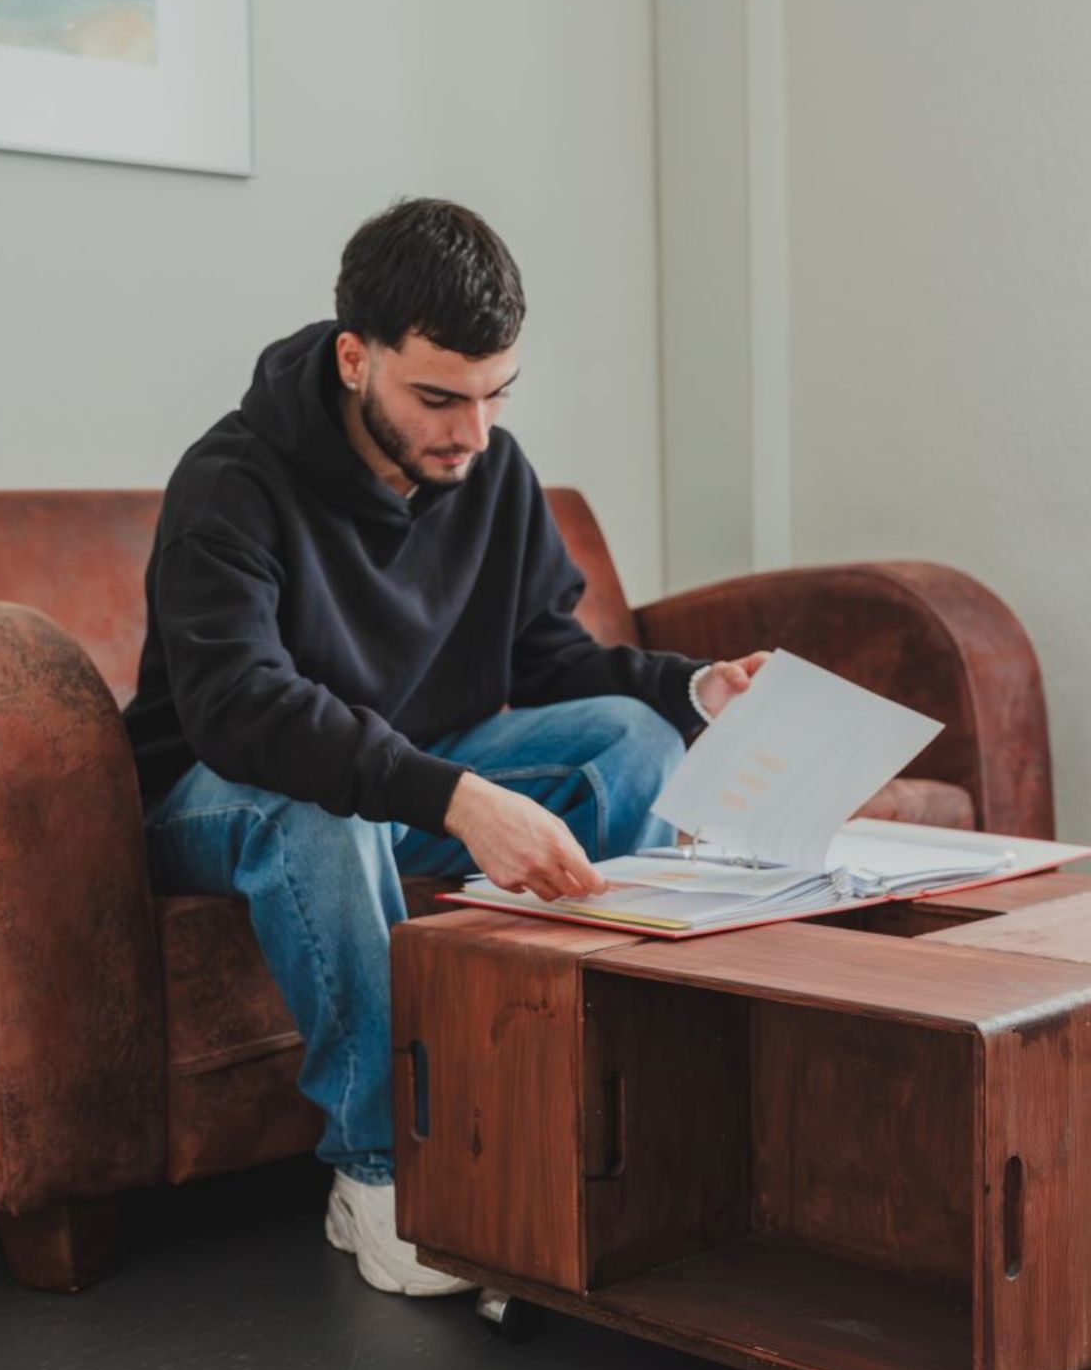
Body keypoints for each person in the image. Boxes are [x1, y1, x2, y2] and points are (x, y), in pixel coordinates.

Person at [123, 198, 767, 1297]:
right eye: (438, 398)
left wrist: (691, 687)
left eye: (495, 394)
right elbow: (242, 709)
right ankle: (377, 1176)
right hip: (217, 792)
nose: (472, 431)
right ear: (355, 357)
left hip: (404, 774)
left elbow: (549, 658)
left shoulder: (491, 472)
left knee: (631, 741)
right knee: (322, 808)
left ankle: (575, 1113)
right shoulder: (230, 481)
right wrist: (460, 799)